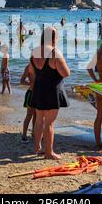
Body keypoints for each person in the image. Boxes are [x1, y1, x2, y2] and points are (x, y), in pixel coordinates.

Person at [29, 27, 70, 160]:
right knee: (50, 123)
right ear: (53, 38)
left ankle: (37, 147)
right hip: (52, 90)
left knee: (39, 120)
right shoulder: (54, 53)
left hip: (39, 88)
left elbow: (31, 70)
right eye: (57, 36)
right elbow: (66, 73)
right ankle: (49, 152)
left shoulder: (35, 52)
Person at [20, 61, 36, 143]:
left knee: (37, 115)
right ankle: (24, 135)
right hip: (31, 93)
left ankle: (34, 132)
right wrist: (30, 83)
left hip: (40, 94)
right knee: (29, 115)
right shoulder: (29, 67)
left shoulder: (42, 66)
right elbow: (22, 80)